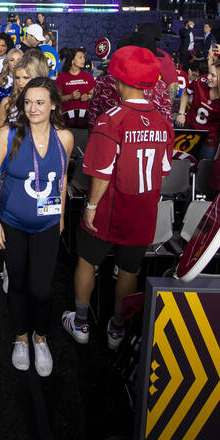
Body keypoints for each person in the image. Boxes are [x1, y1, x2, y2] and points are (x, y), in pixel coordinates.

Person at [62, 47, 171, 350]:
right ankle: (117, 328)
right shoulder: (162, 122)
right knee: (129, 269)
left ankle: (81, 322)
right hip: (144, 208)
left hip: (110, 207)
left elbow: (101, 173)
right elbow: (162, 170)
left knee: (87, 261)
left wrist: (91, 207)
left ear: (119, 80)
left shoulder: (111, 119)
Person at [0, 77, 73, 376]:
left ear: (54, 105)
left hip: (47, 223)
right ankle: (21, 337)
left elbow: (62, 180)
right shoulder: (7, 135)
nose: (33, 108)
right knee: (18, 284)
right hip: (13, 223)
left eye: (40, 102)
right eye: (29, 102)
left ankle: (40, 337)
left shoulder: (65, 138)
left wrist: (60, 218)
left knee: (42, 289)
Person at [184, 60, 220, 161]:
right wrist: (181, 113)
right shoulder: (201, 81)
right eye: (209, 73)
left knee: (203, 167)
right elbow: (186, 92)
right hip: (191, 130)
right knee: (185, 163)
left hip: (210, 138)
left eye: (213, 75)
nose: (208, 77)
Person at [56, 48, 96, 128]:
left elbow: (94, 94)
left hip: (86, 120)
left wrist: (88, 96)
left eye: (84, 57)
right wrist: (70, 96)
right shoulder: (61, 78)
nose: (83, 60)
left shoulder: (88, 77)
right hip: (66, 120)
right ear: (72, 60)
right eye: (80, 57)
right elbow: (57, 99)